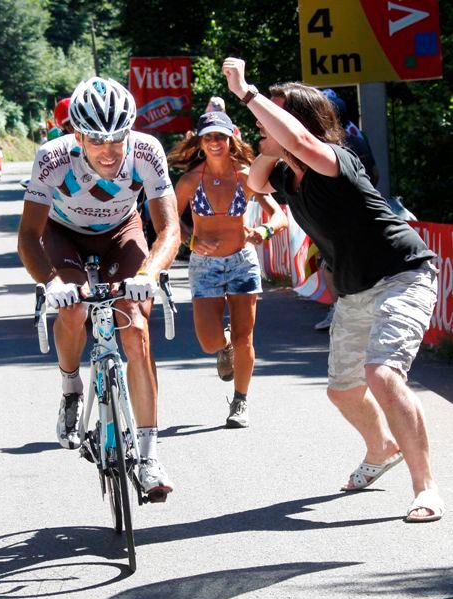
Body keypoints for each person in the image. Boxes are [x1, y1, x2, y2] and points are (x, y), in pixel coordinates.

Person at [222, 57, 444, 522]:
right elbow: (253, 180)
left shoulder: (336, 160)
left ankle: (426, 488)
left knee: (383, 375)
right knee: (343, 391)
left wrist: (247, 93)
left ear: (298, 123)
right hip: (354, 290)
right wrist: (268, 146)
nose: (261, 121)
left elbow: (300, 141)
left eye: (273, 115)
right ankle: (383, 448)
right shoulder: (288, 174)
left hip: (402, 273)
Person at [17, 76, 180, 503]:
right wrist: (49, 283)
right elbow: (29, 236)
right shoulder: (52, 158)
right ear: (77, 134)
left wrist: (149, 275)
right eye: (96, 140)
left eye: (117, 138)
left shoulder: (146, 151)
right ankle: (71, 388)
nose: (109, 151)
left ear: (130, 131)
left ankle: (148, 456)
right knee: (72, 309)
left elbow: (168, 230)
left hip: (122, 231)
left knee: (137, 327)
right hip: (63, 234)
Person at [167, 110, 287, 428]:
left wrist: (261, 232)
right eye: (209, 137)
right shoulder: (190, 181)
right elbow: (166, 221)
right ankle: (224, 345)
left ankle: (240, 402)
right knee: (208, 341)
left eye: (220, 136)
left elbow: (279, 216)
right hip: (204, 266)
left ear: (231, 138)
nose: (215, 142)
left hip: (241, 263)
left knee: (245, 336)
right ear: (200, 142)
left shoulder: (247, 175)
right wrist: (190, 241)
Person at [314, 89, 380, 332]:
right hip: (364, 204)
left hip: (344, 209)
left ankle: (341, 311)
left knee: (331, 263)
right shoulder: (357, 132)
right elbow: (374, 171)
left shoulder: (334, 138)